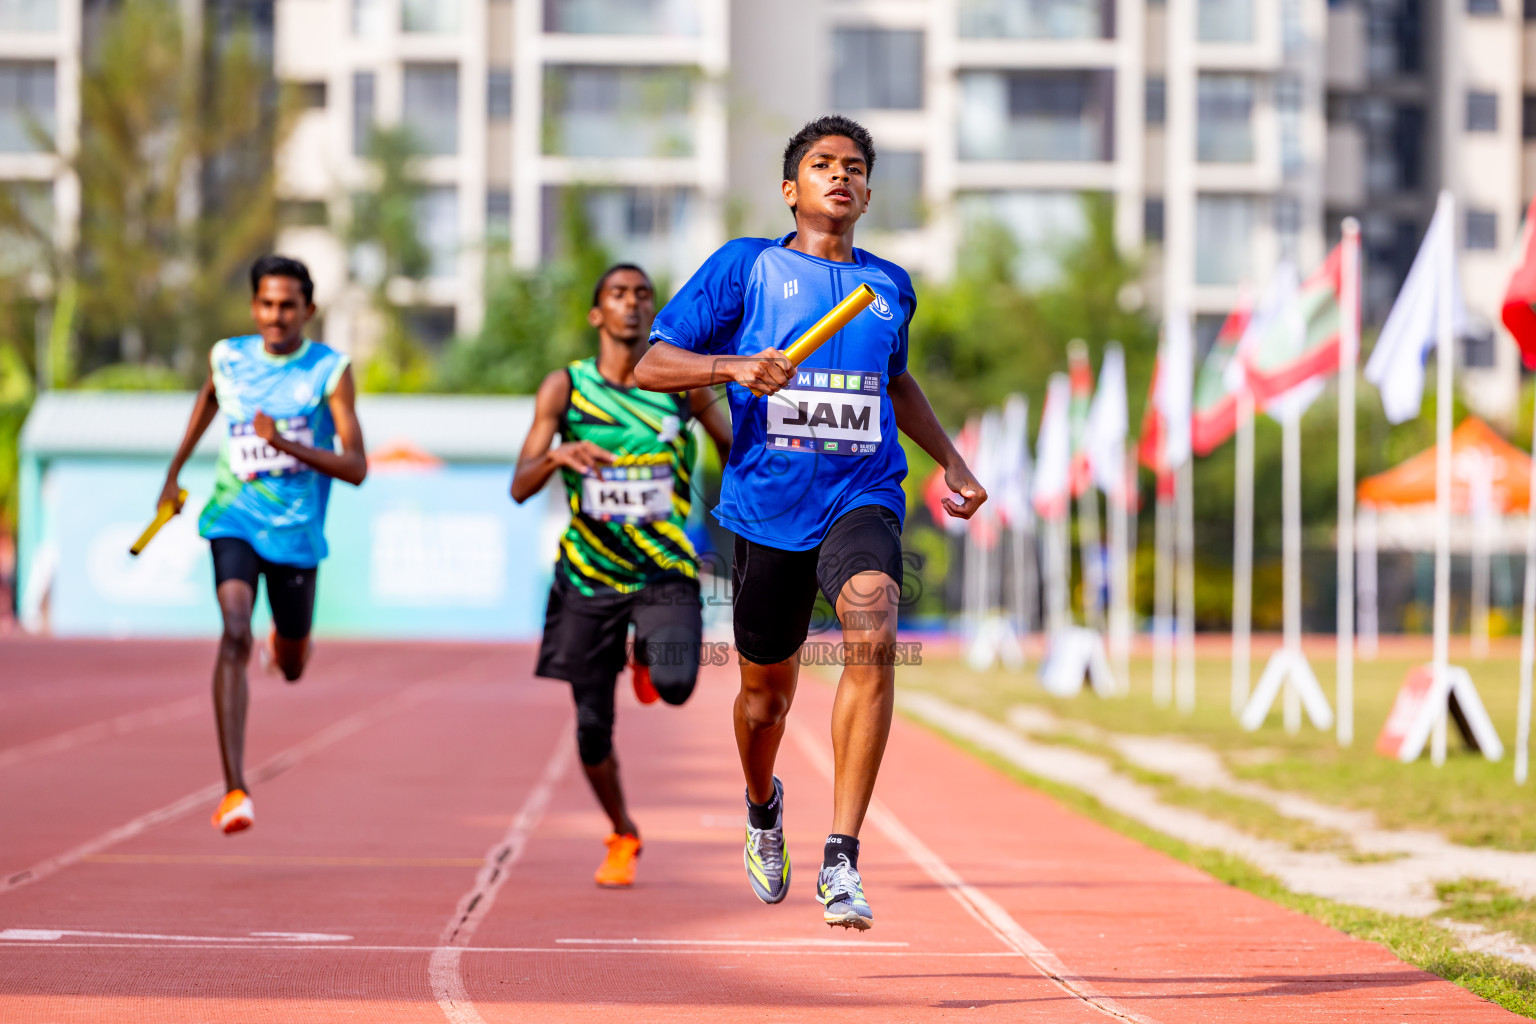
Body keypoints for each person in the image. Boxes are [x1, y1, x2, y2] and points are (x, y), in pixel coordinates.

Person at [635, 115, 985, 930]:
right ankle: (763, 807)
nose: (842, 176)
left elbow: (896, 386)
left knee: (873, 624)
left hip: (864, 492)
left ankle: (842, 858)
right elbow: (655, 363)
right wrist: (732, 364)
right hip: (766, 505)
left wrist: (951, 460)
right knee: (765, 699)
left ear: (867, 192)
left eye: (856, 168)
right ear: (791, 190)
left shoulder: (890, 286)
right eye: (823, 165)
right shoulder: (746, 268)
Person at [513, 264, 732, 889]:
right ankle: (622, 830)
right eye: (617, 294)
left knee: (677, 684)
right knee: (590, 728)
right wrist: (558, 453)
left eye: (642, 295)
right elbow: (520, 486)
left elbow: (733, 448)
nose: (632, 305)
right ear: (596, 314)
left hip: (663, 568)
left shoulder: (679, 384)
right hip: (589, 575)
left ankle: (645, 650)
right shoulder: (566, 389)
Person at [158, 255, 366, 835]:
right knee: (232, 631)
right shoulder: (228, 357)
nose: (277, 316)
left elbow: (356, 467)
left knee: (293, 665)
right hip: (234, 517)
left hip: (297, 534)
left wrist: (287, 446)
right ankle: (234, 790)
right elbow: (206, 402)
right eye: (267, 305)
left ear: (309, 310)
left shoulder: (328, 370)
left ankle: (286, 642)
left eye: (288, 305)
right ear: (255, 307)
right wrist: (173, 473)